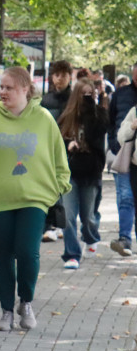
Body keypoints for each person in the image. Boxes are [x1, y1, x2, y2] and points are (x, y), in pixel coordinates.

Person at [0, 67, 70, 331]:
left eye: (9, 87)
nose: (3, 92)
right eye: (1, 87)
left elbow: (59, 159)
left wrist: (57, 188)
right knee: (3, 253)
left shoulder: (44, 119)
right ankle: (6, 310)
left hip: (34, 198)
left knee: (28, 251)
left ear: (25, 89)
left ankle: (27, 302)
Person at [57, 78, 109, 269]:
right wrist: (68, 144)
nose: (87, 97)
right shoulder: (67, 115)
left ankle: (91, 236)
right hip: (70, 170)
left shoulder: (99, 114)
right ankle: (71, 254)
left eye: (91, 93)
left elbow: (99, 132)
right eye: (83, 94)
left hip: (91, 171)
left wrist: (92, 108)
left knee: (87, 217)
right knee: (69, 215)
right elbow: (56, 141)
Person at [40, 59, 72, 243]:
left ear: (70, 76)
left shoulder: (74, 99)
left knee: (64, 186)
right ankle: (53, 224)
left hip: (69, 149)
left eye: (64, 75)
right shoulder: (46, 99)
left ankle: (61, 222)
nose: (60, 79)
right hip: (49, 148)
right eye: (57, 75)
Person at [108, 63, 137, 257]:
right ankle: (125, 239)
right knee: (126, 198)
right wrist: (115, 145)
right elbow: (112, 123)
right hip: (127, 155)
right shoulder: (121, 94)